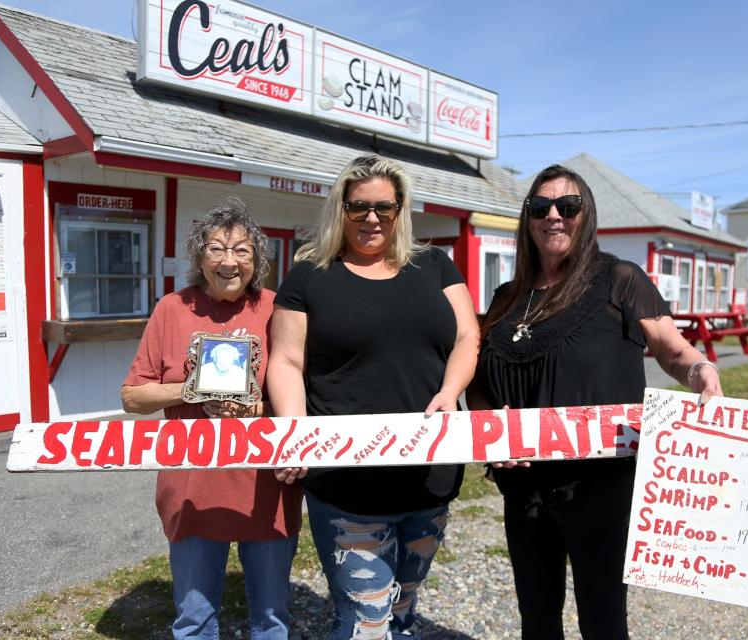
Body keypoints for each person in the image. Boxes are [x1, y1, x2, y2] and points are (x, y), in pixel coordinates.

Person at [467, 165, 724, 640]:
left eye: (568, 207)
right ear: (527, 218)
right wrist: (488, 426)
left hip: (602, 486)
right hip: (523, 488)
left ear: (586, 216)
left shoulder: (619, 280)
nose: (554, 217)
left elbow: (672, 350)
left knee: (603, 622)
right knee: (537, 620)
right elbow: (479, 382)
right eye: (540, 207)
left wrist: (700, 370)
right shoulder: (506, 298)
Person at [267, 154, 479, 640]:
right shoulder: (309, 275)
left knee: (403, 612)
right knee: (366, 623)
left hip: (429, 479)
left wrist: (450, 392)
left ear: (401, 210)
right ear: (339, 208)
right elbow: (286, 360)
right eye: (358, 206)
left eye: (384, 207)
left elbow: (469, 337)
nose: (371, 218)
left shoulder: (435, 266)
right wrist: (295, 432)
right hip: (348, 485)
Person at [120, 199, 302, 640]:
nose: (229, 261)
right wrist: (193, 392)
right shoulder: (172, 309)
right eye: (217, 249)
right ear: (200, 256)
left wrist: (260, 407)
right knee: (194, 620)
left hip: (266, 487)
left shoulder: (278, 308)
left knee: (272, 620)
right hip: (193, 487)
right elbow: (132, 397)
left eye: (242, 250)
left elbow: (300, 387)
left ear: (257, 259)